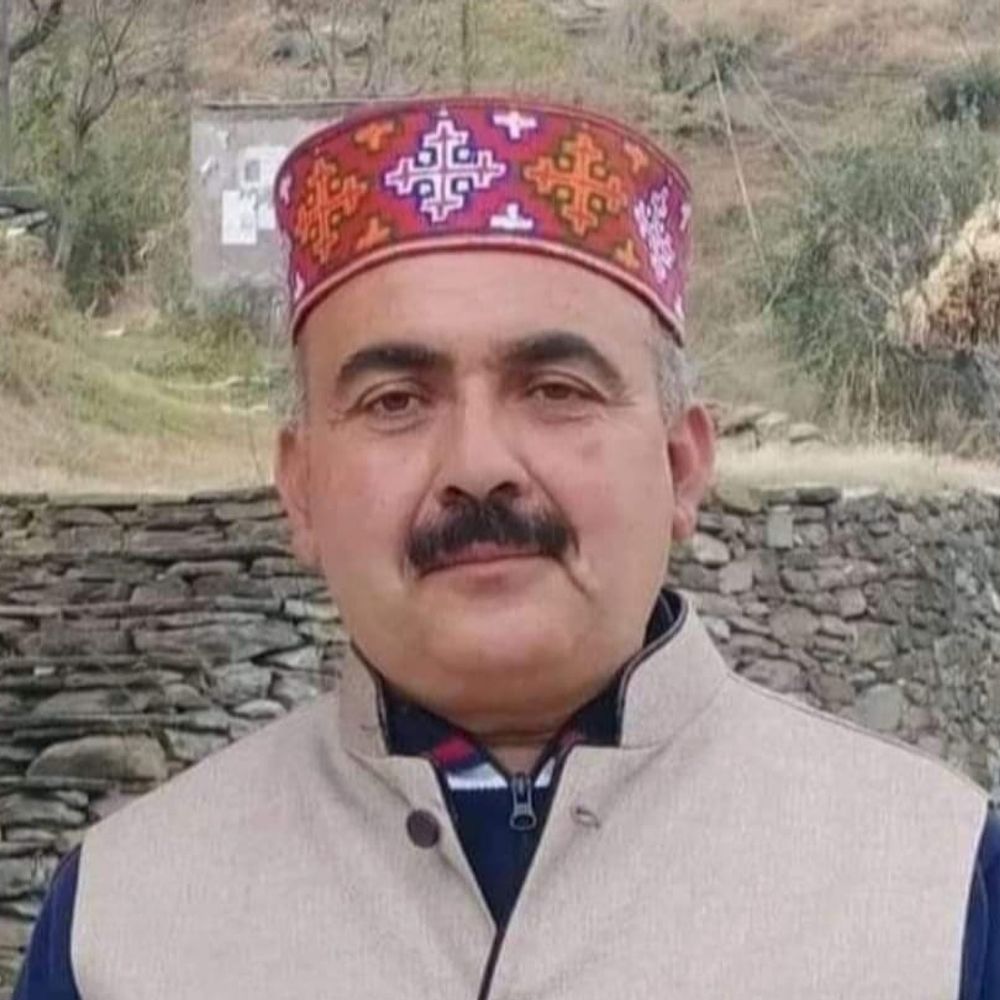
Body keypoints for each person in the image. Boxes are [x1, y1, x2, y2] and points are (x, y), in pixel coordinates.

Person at [14, 95, 999, 999]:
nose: (479, 467)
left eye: (556, 390)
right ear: (302, 489)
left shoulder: (937, 889)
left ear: (680, 465)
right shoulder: (122, 925)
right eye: (394, 401)